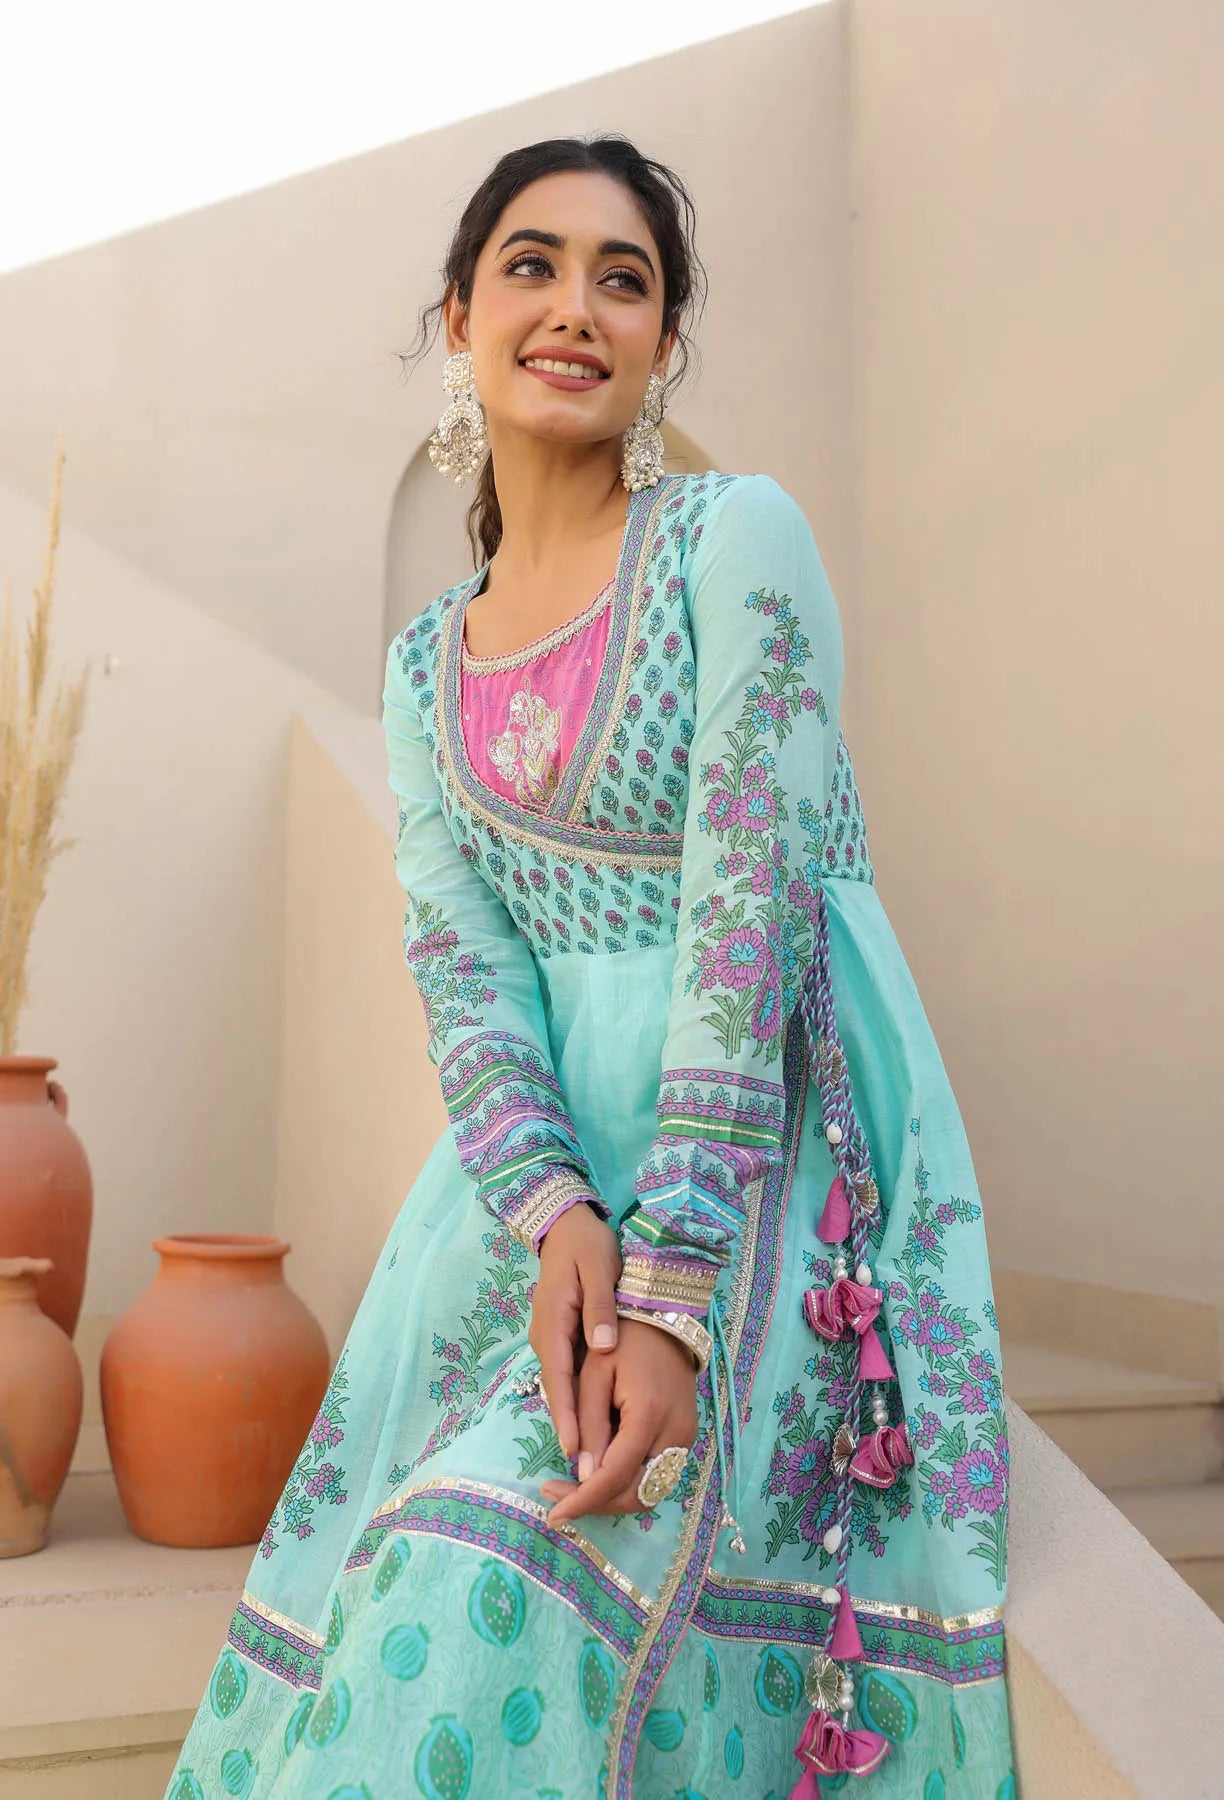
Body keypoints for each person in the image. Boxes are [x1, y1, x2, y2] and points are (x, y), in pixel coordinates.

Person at [165, 133, 1018, 1800]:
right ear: (460, 315)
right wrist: (558, 1217)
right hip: (532, 1206)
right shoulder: (424, 674)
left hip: (765, 1167)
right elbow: (464, 974)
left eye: (623, 279)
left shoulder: (733, 544)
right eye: (534, 266)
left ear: (662, 345)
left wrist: (673, 1301)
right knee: (407, 1576)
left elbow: (747, 924)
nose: (575, 308)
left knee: (512, 1579)